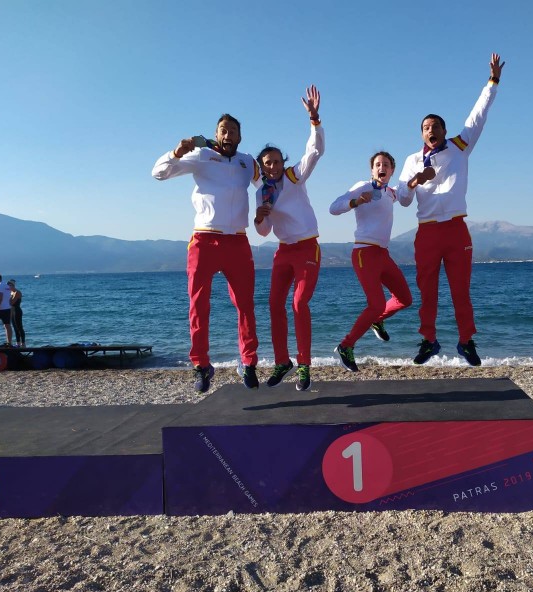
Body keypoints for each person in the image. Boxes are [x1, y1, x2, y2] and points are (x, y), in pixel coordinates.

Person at [398, 52, 505, 367]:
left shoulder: (461, 147)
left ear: (444, 131)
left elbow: (479, 114)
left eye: (435, 126)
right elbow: (403, 199)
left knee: (461, 289)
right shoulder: (411, 161)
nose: (430, 131)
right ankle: (429, 341)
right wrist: (417, 180)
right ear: (421, 135)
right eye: (425, 128)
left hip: (457, 229)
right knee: (427, 291)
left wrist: (493, 81)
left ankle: (466, 341)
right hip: (427, 230)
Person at [152, 113, 262, 393]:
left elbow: (267, 186)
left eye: (233, 131)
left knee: (245, 305)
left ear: (240, 137)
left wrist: (267, 212)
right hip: (204, 239)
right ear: (217, 134)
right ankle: (202, 366)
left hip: (238, 240)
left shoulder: (247, 161)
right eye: (223, 130)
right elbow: (159, 173)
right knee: (198, 305)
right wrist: (178, 151)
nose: (228, 135)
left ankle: (248, 362)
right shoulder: (201, 155)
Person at [254, 86, 324, 391]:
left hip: (307, 247)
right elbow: (264, 232)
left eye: (276, 161)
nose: (273, 166)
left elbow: (315, 151)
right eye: (267, 163)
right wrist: (259, 216)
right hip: (283, 252)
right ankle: (282, 361)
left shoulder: (295, 177)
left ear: (283, 162)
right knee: (273, 304)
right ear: (262, 166)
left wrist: (314, 120)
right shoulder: (262, 192)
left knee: (299, 303)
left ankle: (304, 364)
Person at [329, 151, 412, 371]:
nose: (381, 167)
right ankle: (346, 346)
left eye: (386, 164)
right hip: (364, 253)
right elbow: (334, 208)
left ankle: (378, 319)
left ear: (392, 170)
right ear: (372, 170)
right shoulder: (363, 186)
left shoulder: (391, 193)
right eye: (377, 164)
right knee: (375, 303)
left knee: (405, 298)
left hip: (383, 254)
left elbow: (406, 196)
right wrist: (356, 201)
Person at [7, 279, 26, 347]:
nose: (8, 287)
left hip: (17, 311)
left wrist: (7, 298)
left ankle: (23, 343)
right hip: (12, 311)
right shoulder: (11, 293)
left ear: (13, 285)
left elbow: (11, 303)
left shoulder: (17, 292)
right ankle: (18, 343)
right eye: (8, 285)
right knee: (15, 328)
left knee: (19, 327)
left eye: (10, 285)